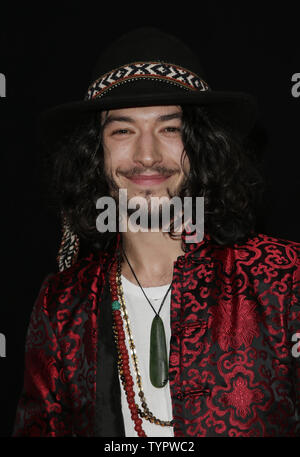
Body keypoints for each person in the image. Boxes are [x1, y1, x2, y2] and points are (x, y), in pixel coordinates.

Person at [13, 27, 300, 437]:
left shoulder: (284, 276)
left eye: (170, 129)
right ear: (94, 153)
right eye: (123, 131)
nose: (147, 155)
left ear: (202, 145)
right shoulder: (62, 305)